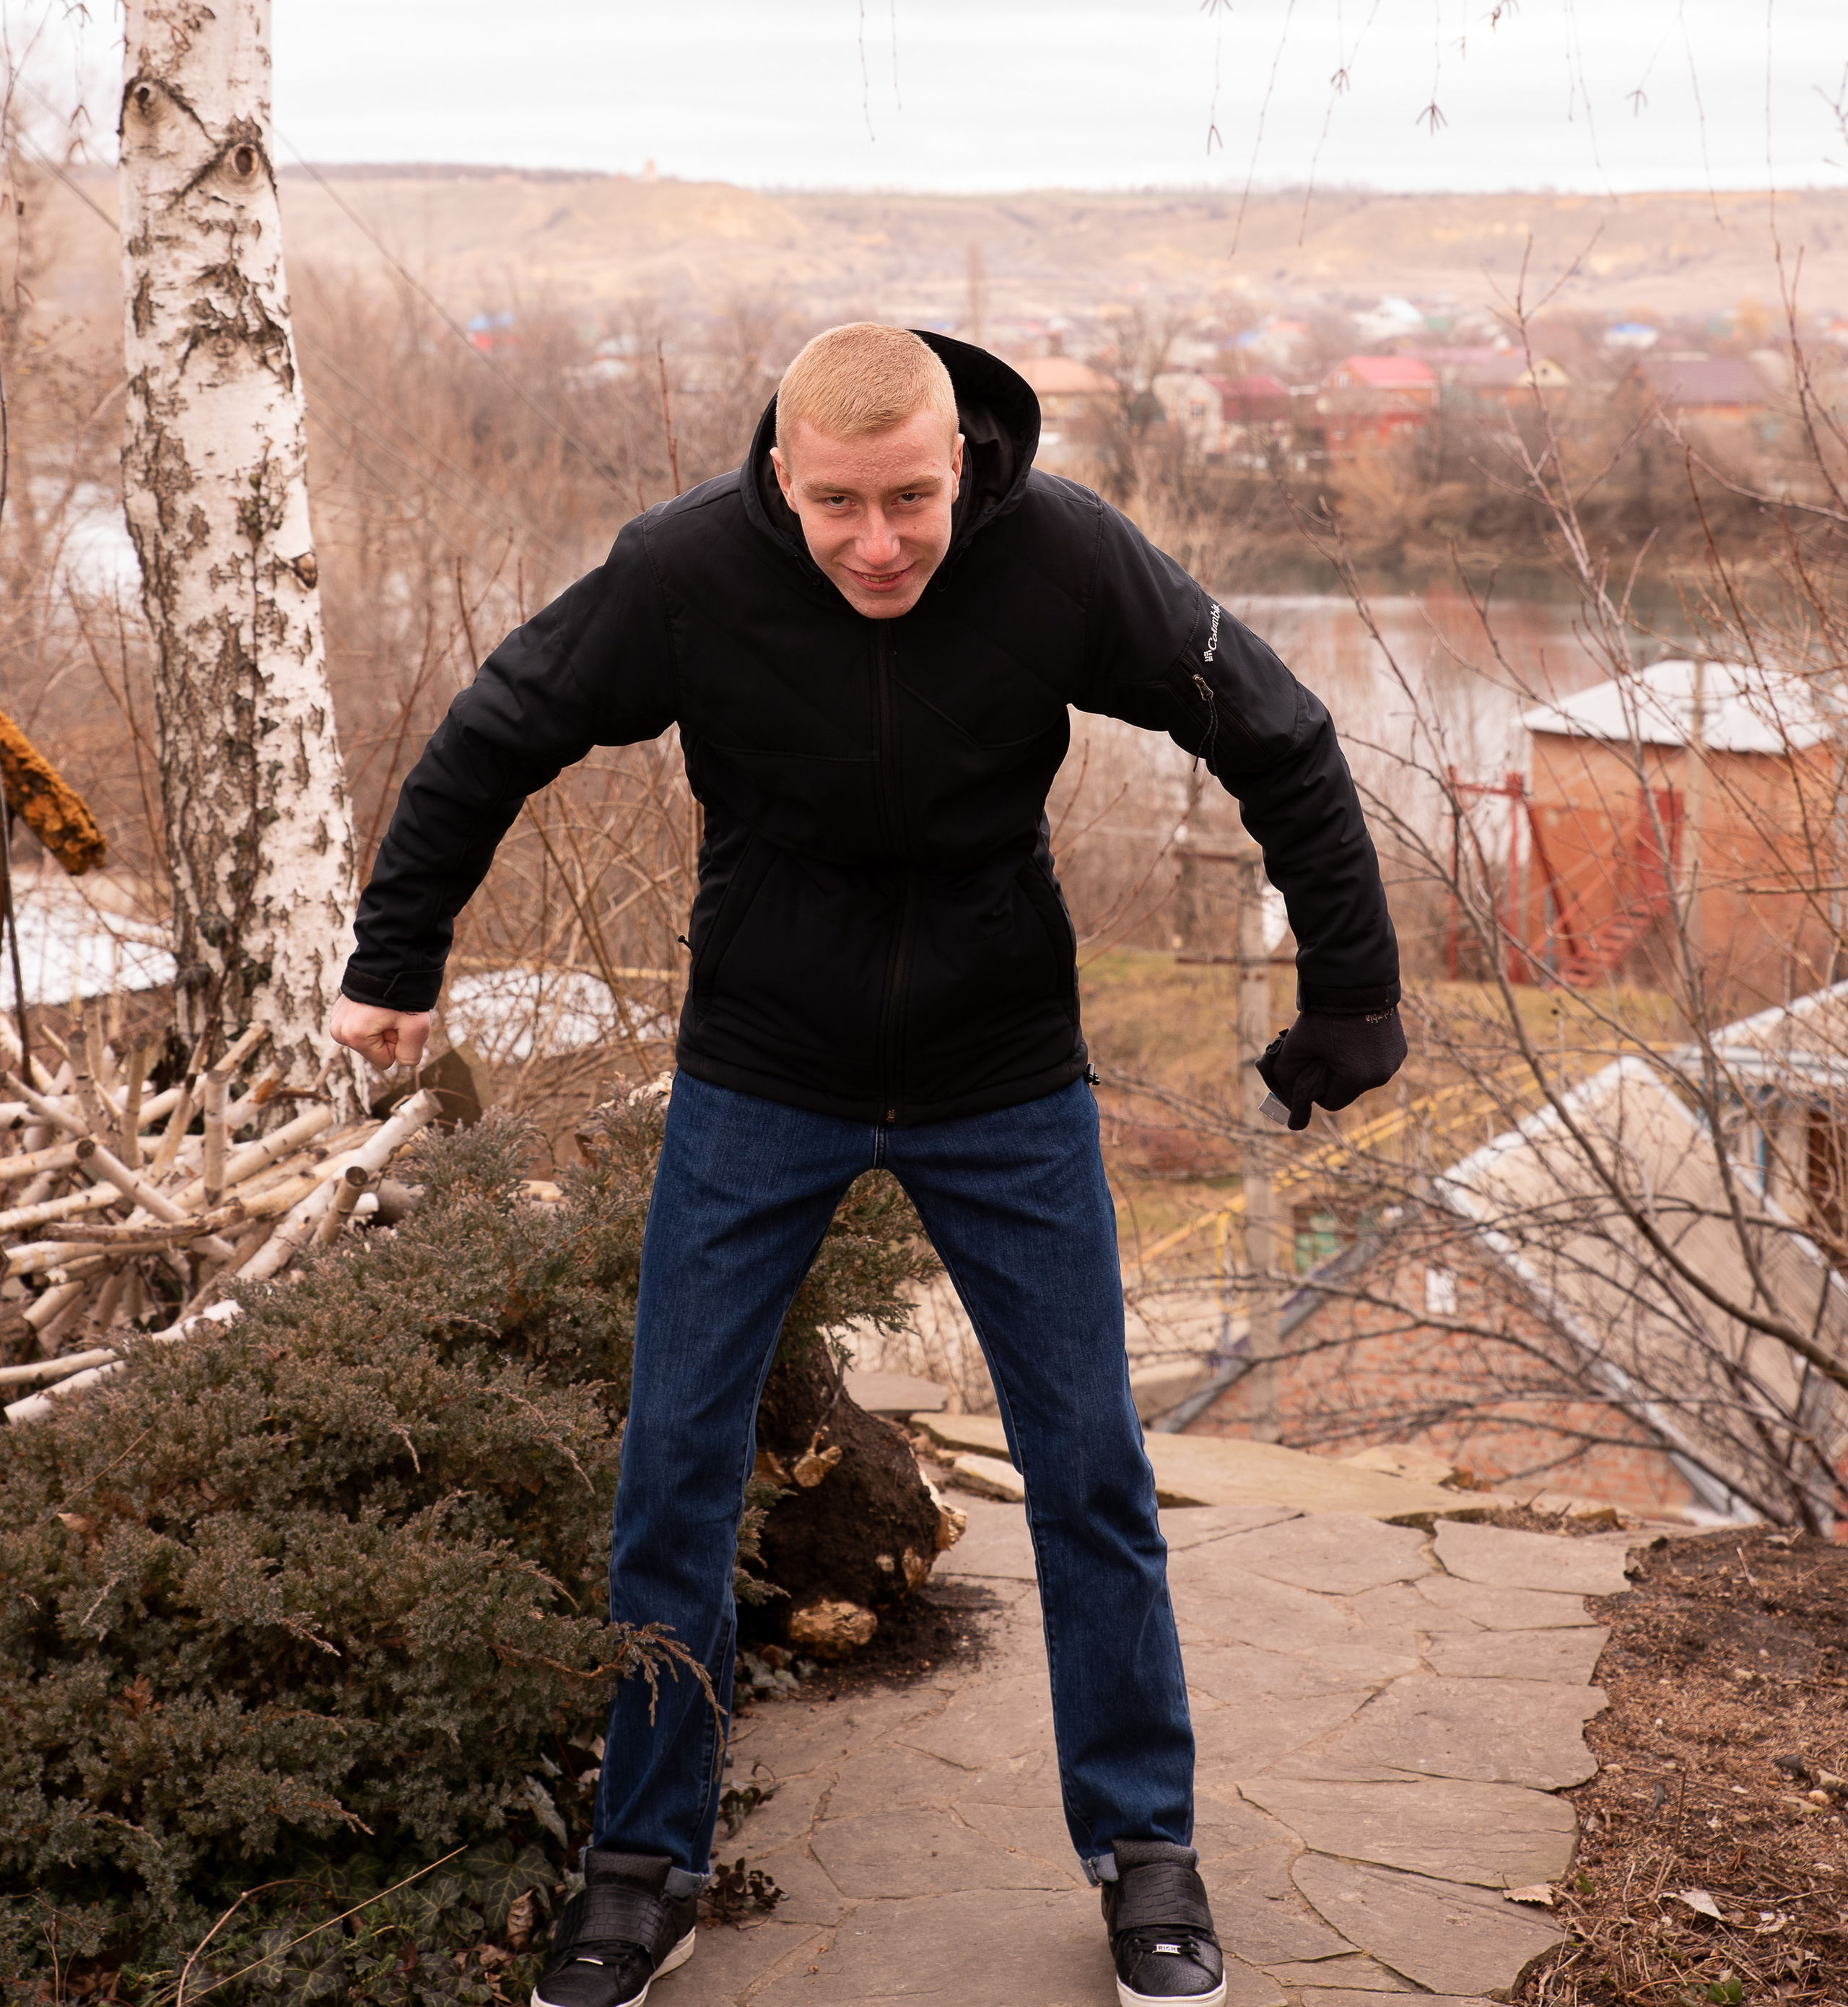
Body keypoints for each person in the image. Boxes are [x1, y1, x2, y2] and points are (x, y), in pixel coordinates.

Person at [331, 325, 1405, 2007]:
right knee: (676, 1468)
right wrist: (396, 957)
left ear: (960, 463)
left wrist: (1350, 990)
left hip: (1001, 1079)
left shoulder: (1060, 554)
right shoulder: (686, 574)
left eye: (911, 498)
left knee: (1091, 1471)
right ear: (781, 474)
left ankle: (1145, 1855)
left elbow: (1273, 730)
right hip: (763, 1070)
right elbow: (498, 727)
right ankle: (642, 1864)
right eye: (836, 505)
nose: (878, 542)